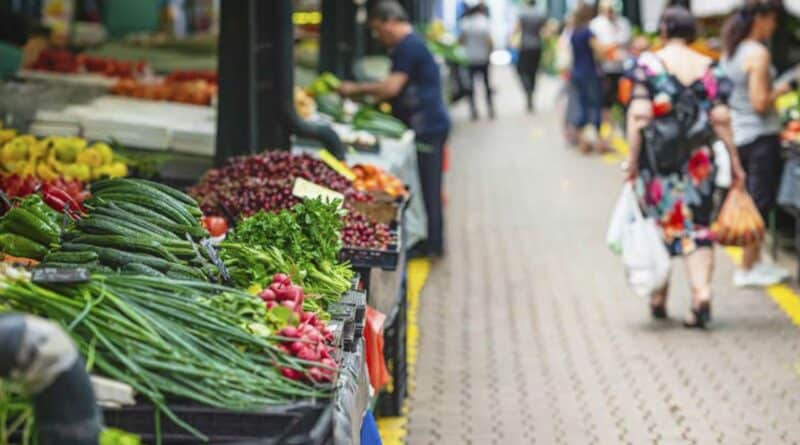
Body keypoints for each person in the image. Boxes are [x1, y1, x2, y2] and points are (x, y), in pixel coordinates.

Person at [623, 6, 745, 328]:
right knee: (698, 228)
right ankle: (701, 293)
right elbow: (721, 119)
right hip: (699, 163)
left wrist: (631, 162)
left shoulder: (648, 65)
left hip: (657, 164)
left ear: (663, 30)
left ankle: (658, 297)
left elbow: (638, 115)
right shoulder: (709, 67)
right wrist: (735, 162)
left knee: (661, 225)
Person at [339, 1, 451, 258]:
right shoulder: (409, 44)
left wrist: (354, 90)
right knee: (425, 187)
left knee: (428, 187)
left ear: (390, 21)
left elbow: (391, 88)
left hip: (428, 127)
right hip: (427, 124)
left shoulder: (407, 47)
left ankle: (433, 244)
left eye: (379, 29)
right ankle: (429, 241)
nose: (379, 37)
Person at [721, 0, 791, 287]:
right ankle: (749, 267)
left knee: (751, 198)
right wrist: (786, 87)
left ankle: (754, 263)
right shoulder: (758, 53)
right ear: (761, 18)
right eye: (773, 20)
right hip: (760, 136)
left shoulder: (732, 50)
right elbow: (760, 102)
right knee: (760, 202)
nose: (774, 26)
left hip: (740, 134)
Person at [590, 0, 631, 135]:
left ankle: (622, 130)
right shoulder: (596, 24)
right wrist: (610, 48)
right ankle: (607, 132)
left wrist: (610, 47)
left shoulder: (623, 23)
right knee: (605, 102)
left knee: (623, 101)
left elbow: (625, 43)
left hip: (622, 68)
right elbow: (598, 49)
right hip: (604, 69)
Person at [570, 3, 605, 153]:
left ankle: (583, 141)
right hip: (589, 73)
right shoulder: (588, 32)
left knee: (582, 105)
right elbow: (600, 51)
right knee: (594, 106)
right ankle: (597, 142)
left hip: (576, 73)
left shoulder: (574, 32)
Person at [459, 4, 494, 120]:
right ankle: (490, 108)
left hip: (470, 58)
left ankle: (473, 110)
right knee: (486, 83)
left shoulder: (465, 23)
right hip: (483, 57)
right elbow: (489, 41)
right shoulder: (484, 21)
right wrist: (489, 52)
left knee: (471, 85)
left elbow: (461, 41)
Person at [514, 0, 546, 112]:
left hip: (525, 45)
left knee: (521, 70)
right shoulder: (540, 13)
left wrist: (513, 40)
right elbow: (544, 30)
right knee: (533, 72)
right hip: (537, 45)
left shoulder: (522, 12)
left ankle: (528, 89)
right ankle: (530, 92)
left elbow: (517, 29)